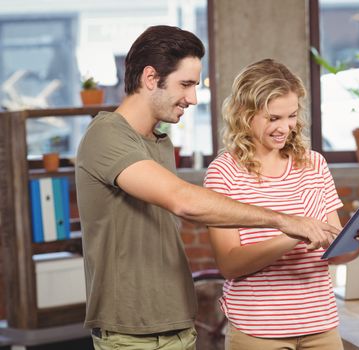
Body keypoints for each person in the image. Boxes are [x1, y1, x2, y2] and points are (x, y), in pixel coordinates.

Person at [75, 26, 339, 350]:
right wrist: (285, 221)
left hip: (175, 323)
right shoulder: (106, 136)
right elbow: (182, 200)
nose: (193, 98)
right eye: (185, 84)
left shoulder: (157, 142)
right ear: (149, 78)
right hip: (132, 331)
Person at [204, 58, 359, 350]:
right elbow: (229, 265)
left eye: (290, 116)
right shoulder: (224, 173)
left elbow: (334, 252)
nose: (284, 128)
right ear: (244, 114)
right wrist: (290, 233)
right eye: (273, 118)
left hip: (321, 325)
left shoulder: (314, 164)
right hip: (258, 331)